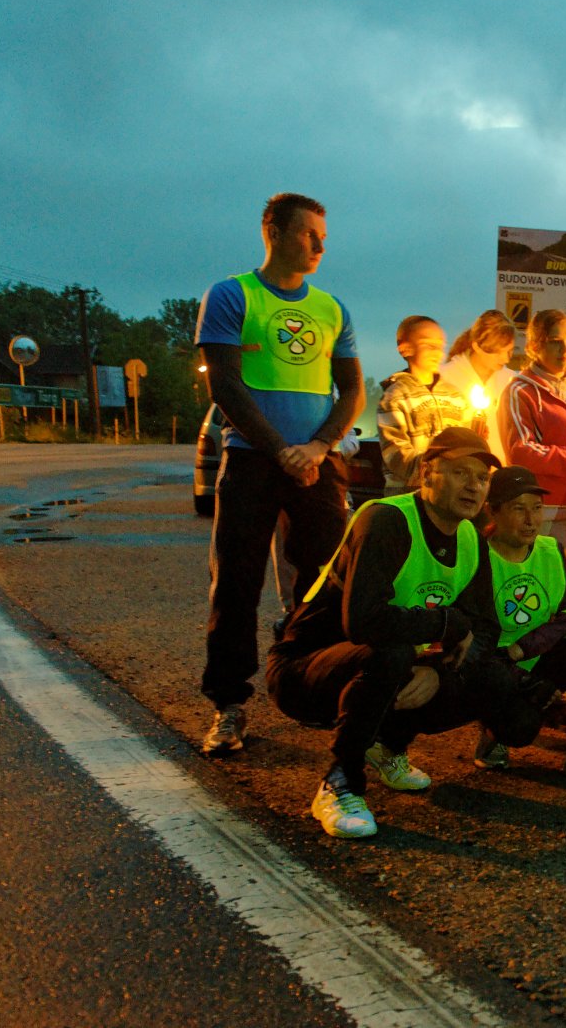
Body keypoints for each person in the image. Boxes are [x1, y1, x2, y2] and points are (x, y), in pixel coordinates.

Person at [265, 428, 506, 838]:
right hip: (306, 669)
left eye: (482, 478)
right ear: (427, 473)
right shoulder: (386, 520)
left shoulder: (471, 537)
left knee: (493, 677)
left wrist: (438, 672)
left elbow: (485, 626)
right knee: (391, 653)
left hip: (389, 663)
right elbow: (364, 622)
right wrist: (447, 624)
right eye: (460, 473)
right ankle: (340, 781)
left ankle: (388, 745)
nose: (474, 486)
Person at [194, 191, 363, 757]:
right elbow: (225, 384)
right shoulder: (231, 295)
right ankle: (228, 704)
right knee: (236, 583)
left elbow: (352, 391)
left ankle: (315, 686)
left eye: (324, 237)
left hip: (318, 464)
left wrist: (316, 447)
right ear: (273, 231)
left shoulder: (333, 308)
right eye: (308, 234)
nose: (319, 246)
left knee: (325, 583)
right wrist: (280, 450)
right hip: (251, 460)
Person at [469, 466, 566, 790]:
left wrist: (524, 648)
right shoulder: (476, 557)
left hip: (533, 654)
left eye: (536, 508)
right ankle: (494, 732)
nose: (530, 520)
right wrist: (513, 666)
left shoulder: (550, 551)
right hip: (496, 668)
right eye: (518, 509)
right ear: (493, 511)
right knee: (520, 728)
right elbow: (473, 633)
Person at [496, 309, 566, 594]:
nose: (565, 350)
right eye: (555, 342)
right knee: (558, 592)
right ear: (535, 346)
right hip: (548, 510)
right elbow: (522, 451)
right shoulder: (520, 391)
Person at [378, 315, 474, 492]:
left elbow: (466, 444)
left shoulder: (455, 396)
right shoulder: (395, 397)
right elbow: (396, 454)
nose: (437, 352)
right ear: (405, 349)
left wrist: (475, 440)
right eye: (428, 345)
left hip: (448, 494)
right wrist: (438, 471)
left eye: (440, 346)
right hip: (408, 494)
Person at [439, 309, 518, 462]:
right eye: (497, 352)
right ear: (476, 346)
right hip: (459, 467)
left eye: (509, 351)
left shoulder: (511, 380)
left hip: (500, 469)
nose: (505, 359)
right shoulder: (445, 377)